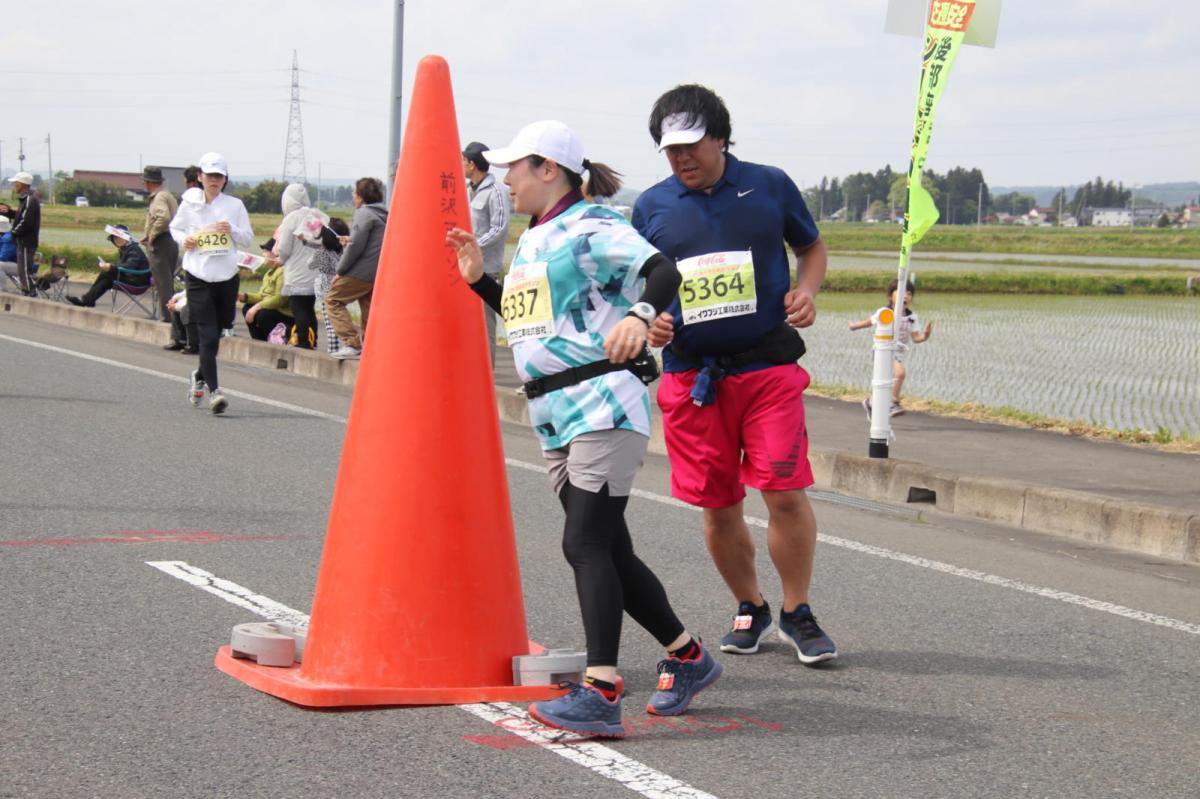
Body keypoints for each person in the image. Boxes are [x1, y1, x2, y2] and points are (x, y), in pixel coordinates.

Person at [447, 120, 721, 739]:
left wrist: (643, 313)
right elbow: (536, 323)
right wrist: (479, 281)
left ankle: (600, 689)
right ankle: (688, 656)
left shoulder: (591, 225)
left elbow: (662, 270)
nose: (504, 178)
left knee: (584, 544)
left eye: (514, 167)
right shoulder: (537, 238)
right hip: (555, 414)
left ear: (549, 168)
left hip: (603, 403)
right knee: (609, 549)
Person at [632, 84, 837, 665]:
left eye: (692, 146)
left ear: (721, 137)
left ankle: (798, 611)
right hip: (693, 379)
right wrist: (653, 321)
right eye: (671, 150)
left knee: (783, 490)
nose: (682, 159)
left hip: (767, 366)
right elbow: (640, 287)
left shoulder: (769, 184)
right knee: (718, 505)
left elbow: (812, 247)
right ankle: (751, 605)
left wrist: (807, 291)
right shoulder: (651, 206)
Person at [169, 152, 254, 415]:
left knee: (218, 333)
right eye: (210, 175)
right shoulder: (190, 202)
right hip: (198, 275)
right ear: (200, 177)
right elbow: (175, 228)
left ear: (225, 179)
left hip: (226, 277)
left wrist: (232, 231)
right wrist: (186, 241)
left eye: (219, 176)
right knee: (206, 333)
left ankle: (200, 375)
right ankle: (215, 392)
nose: (214, 180)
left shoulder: (235, 205)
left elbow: (248, 238)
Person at [849, 278, 933, 417]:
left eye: (909, 293)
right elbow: (870, 322)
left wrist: (925, 336)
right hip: (883, 350)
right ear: (890, 296)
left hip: (898, 353)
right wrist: (854, 326)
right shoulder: (885, 312)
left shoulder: (911, 317)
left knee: (885, 383)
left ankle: (871, 402)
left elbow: (916, 338)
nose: (905, 296)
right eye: (901, 292)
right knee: (900, 374)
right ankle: (892, 403)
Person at [325, 177, 387, 360]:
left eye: (355, 193)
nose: (353, 196)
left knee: (333, 299)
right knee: (368, 307)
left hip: (361, 271)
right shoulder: (385, 214)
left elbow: (356, 247)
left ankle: (352, 343)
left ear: (361, 197)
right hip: (377, 270)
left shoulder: (364, 213)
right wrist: (349, 240)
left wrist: (340, 271)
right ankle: (370, 346)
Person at [463, 141, 511, 366]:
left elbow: (499, 228)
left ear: (472, 164)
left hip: (486, 270)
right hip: (464, 269)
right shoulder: (466, 191)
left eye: (464, 161)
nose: (461, 165)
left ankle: (486, 374)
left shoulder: (496, 191)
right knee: (464, 326)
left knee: (484, 327)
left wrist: (473, 246)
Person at [274, 183, 325, 349]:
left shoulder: (291, 218)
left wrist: (280, 258)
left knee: (299, 308)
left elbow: (284, 248)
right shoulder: (317, 215)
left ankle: (303, 341)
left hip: (297, 272)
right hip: (316, 271)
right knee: (309, 307)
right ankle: (312, 339)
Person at [68, 224, 150, 307]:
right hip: (133, 278)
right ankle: (87, 300)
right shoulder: (127, 248)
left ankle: (87, 300)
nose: (117, 240)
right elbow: (125, 266)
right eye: (115, 238)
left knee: (106, 274)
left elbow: (129, 266)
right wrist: (111, 267)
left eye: (119, 237)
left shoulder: (133, 249)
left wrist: (111, 267)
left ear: (126, 237)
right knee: (106, 279)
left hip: (138, 283)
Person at [139, 166, 180, 322]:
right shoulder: (168, 195)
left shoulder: (159, 197)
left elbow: (163, 218)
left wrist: (152, 235)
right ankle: (171, 319)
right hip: (170, 241)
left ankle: (168, 319)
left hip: (161, 244)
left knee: (163, 285)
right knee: (167, 283)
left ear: (148, 182)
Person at [310, 217, 349, 356]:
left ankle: (333, 350)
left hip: (326, 288)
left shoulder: (322, 252)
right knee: (340, 318)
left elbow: (311, 265)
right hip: (342, 287)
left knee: (329, 322)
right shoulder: (345, 250)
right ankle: (344, 347)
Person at [0, 171, 41, 296]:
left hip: (25, 241)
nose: (14, 186)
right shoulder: (27, 199)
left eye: (16, 183)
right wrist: (10, 212)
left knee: (23, 269)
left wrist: (12, 233)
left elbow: (26, 222)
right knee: (23, 269)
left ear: (22, 184)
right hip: (24, 240)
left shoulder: (29, 200)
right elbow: (22, 217)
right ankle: (27, 290)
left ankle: (29, 291)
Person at [237, 256, 293, 341]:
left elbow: (280, 299)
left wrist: (257, 306)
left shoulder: (283, 271)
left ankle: (283, 337)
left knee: (263, 314)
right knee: (247, 307)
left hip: (285, 313)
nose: (263, 254)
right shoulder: (269, 272)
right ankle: (260, 341)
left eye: (266, 251)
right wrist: (244, 296)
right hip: (273, 308)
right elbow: (262, 296)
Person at [0, 217, 18, 288]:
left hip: (21, 266)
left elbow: (3, 257)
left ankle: (2, 290)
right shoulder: (3, 236)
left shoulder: (8, 238)